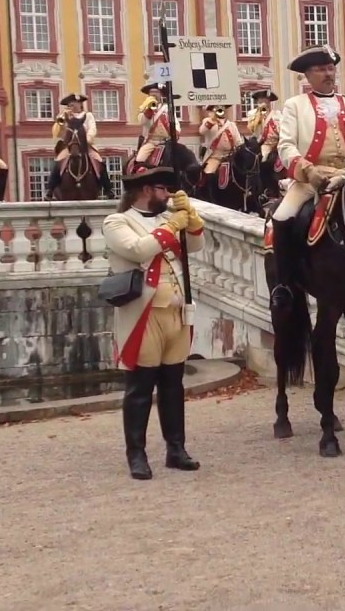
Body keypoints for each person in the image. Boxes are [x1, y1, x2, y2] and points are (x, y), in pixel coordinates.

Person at [103, 164, 206, 481]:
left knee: (173, 386)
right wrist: (173, 225)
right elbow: (139, 249)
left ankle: (176, 449)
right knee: (140, 388)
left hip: (174, 311)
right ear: (147, 190)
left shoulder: (166, 219)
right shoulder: (118, 221)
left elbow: (194, 247)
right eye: (163, 189)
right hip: (143, 314)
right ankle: (137, 454)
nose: (169, 195)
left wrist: (191, 221)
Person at [268, 45, 345, 309]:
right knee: (282, 218)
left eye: (330, 68)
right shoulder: (295, 105)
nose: (328, 74)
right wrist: (308, 170)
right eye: (320, 70)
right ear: (307, 75)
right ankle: (285, 282)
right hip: (311, 177)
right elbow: (286, 146)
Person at [45, 93, 114, 199]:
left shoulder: (88, 115)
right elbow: (56, 133)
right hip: (69, 145)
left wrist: (87, 139)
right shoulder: (65, 115)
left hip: (86, 145)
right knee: (58, 162)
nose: (72, 106)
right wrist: (60, 122)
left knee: (99, 161)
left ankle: (108, 189)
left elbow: (92, 129)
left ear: (80, 104)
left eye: (74, 104)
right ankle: (50, 190)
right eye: (70, 104)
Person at [199, 105, 240, 182]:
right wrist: (212, 121)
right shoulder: (208, 121)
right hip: (214, 157)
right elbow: (202, 131)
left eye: (222, 109)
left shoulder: (231, 125)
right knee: (208, 174)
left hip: (230, 156)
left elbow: (238, 141)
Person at [135, 82, 173, 165]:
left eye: (156, 93)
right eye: (151, 93)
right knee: (140, 158)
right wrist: (149, 110)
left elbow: (175, 123)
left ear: (161, 95)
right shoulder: (144, 108)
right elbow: (142, 121)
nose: (154, 95)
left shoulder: (167, 108)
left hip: (167, 142)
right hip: (151, 142)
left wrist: (176, 132)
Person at [246, 89, 280, 160]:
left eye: (265, 101)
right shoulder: (253, 114)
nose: (263, 103)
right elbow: (251, 129)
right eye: (260, 101)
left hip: (274, 143)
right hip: (261, 143)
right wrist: (259, 116)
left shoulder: (277, 115)